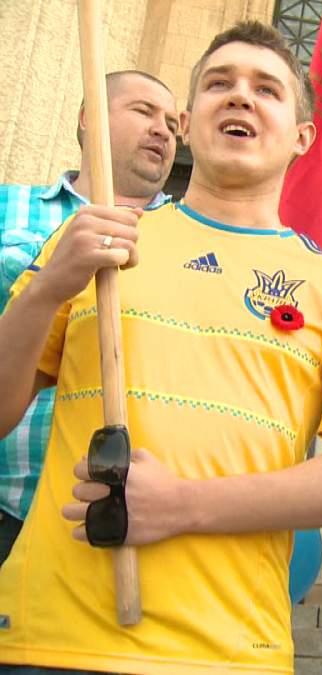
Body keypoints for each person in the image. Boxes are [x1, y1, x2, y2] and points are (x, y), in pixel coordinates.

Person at [0, 21, 322, 673]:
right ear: (187, 123)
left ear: (303, 137)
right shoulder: (95, 242)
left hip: (232, 650)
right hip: (48, 637)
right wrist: (47, 288)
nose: (240, 96)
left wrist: (184, 506)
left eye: (267, 89)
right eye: (219, 83)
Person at [0, 70, 177, 565]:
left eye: (172, 124)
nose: (163, 130)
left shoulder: (188, 242)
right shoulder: (6, 209)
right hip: (6, 504)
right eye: (143, 111)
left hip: (117, 524)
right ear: (88, 117)